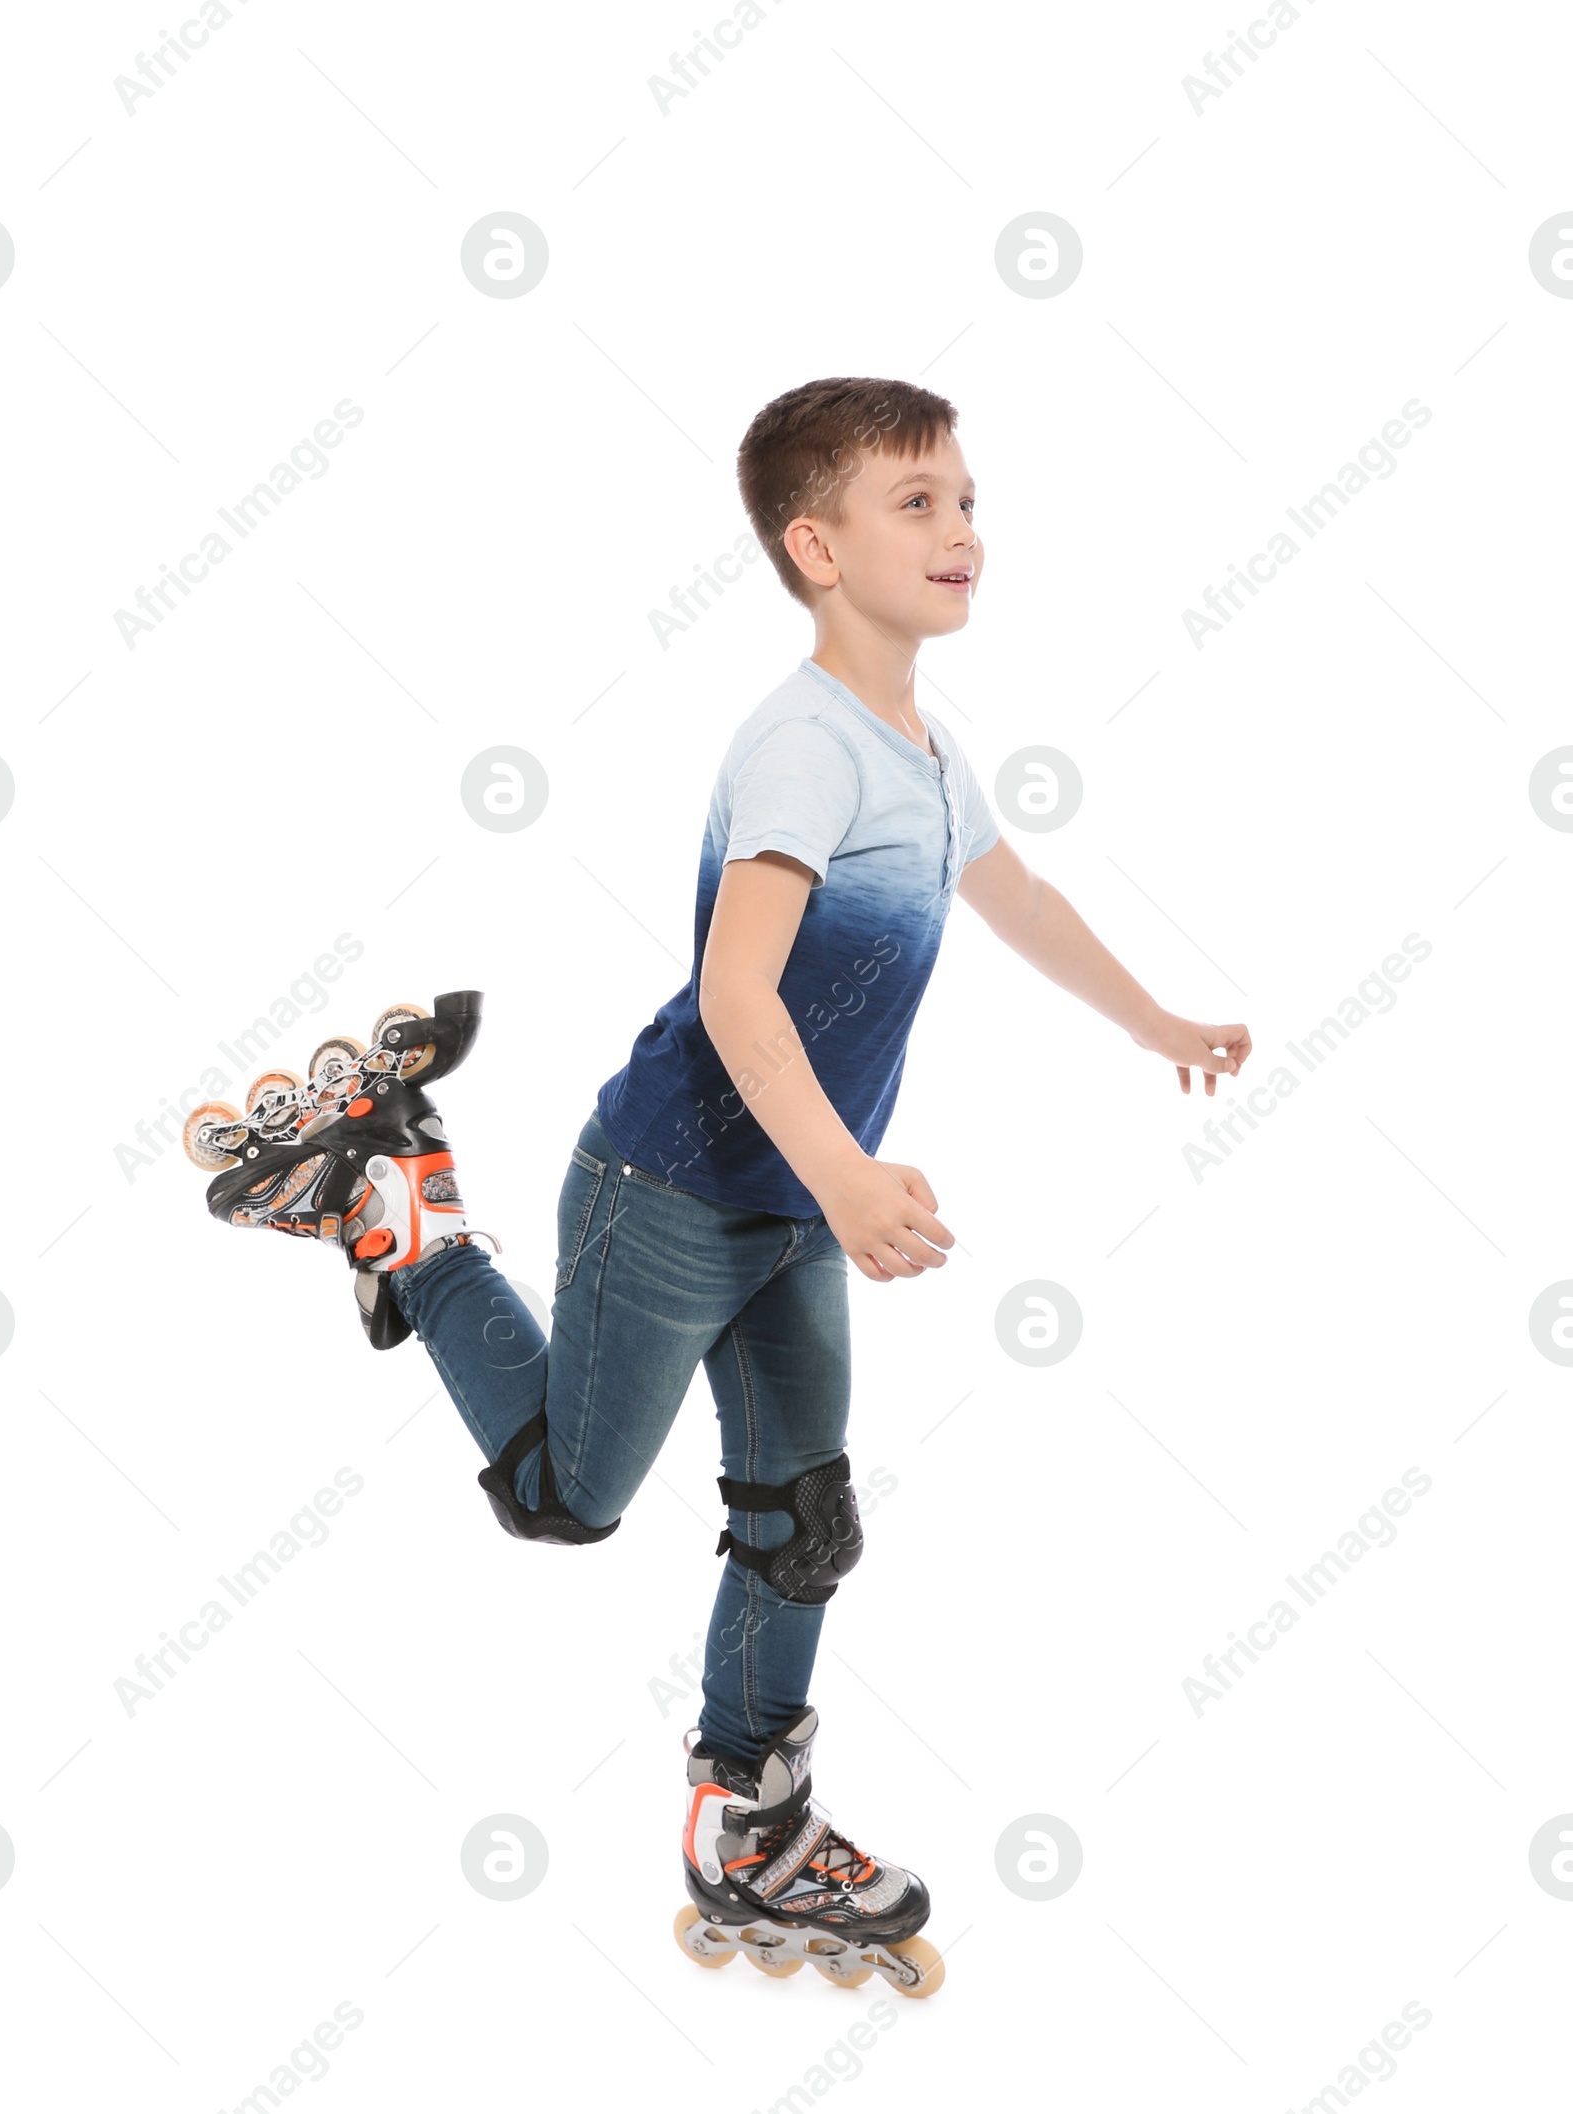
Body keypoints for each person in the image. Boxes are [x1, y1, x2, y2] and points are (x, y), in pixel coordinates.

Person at [184, 374, 1250, 1997]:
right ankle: (399, 1203)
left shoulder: (922, 744)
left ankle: (749, 1825)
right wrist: (846, 1178)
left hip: (788, 1213)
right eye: (919, 503)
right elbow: (741, 994)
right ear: (816, 546)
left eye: (967, 496)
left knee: (801, 1523)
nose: (964, 527)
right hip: (670, 1191)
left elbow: (1013, 895)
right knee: (568, 1499)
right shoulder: (802, 750)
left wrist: (1155, 1017)